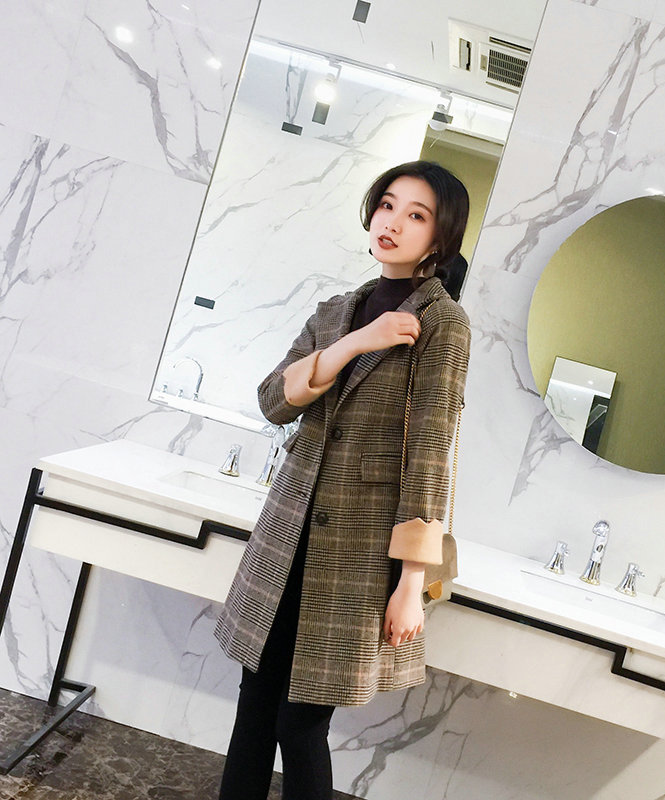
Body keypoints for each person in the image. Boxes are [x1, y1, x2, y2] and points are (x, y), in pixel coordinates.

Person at [215, 160, 471, 800]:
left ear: (439, 239)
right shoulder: (337, 313)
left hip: (358, 556)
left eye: (416, 215)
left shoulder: (443, 324)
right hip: (286, 537)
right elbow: (274, 400)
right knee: (254, 707)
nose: (394, 222)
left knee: (300, 724)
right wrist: (357, 342)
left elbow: (431, 454)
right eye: (388, 205)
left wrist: (412, 582)